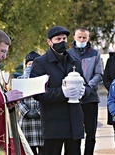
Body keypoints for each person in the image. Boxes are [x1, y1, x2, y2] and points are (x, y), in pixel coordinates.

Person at [30, 26, 92, 155]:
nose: (62, 42)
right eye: (58, 39)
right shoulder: (40, 63)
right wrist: (62, 92)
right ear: (49, 42)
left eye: (64, 38)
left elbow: (86, 85)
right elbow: (37, 92)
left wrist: (83, 92)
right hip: (54, 121)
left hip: (74, 120)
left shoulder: (74, 61)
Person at [67, 26, 103, 155]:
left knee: (90, 133)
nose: (82, 39)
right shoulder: (68, 54)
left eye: (84, 37)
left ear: (88, 38)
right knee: (75, 133)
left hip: (90, 98)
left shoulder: (95, 54)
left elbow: (99, 74)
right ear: (74, 38)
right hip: (73, 99)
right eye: (79, 37)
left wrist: (88, 88)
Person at [17, 51, 44, 155]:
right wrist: (27, 112)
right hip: (26, 122)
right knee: (28, 152)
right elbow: (18, 100)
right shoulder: (19, 80)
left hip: (41, 121)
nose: (31, 66)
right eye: (29, 63)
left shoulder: (44, 80)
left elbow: (48, 98)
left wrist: (39, 111)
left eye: (34, 63)